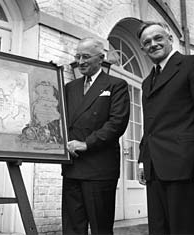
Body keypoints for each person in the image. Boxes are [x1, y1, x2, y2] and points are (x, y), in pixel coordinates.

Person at [137, 21, 194, 235]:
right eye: (147, 42)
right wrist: (143, 161)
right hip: (155, 169)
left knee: (185, 230)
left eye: (157, 38)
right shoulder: (147, 82)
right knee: (159, 230)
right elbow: (150, 125)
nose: (153, 44)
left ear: (170, 39)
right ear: (143, 49)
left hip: (185, 167)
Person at [62, 37, 130, 235]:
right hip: (72, 166)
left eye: (86, 57)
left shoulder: (116, 85)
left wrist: (86, 144)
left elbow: (117, 124)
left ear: (101, 58)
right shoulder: (70, 87)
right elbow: (60, 119)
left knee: (100, 228)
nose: (80, 61)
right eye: (77, 57)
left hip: (100, 169)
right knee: (72, 227)